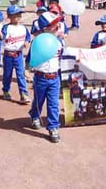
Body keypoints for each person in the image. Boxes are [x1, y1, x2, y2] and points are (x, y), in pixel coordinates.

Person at [28, 11, 64, 143]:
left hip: (54, 78)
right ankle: (34, 115)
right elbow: (30, 59)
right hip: (41, 77)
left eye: (58, 24)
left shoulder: (60, 42)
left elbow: (61, 57)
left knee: (53, 104)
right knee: (39, 100)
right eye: (54, 26)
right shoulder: (37, 42)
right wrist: (27, 70)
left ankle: (53, 127)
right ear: (45, 29)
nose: (58, 27)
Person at [0, 5, 31, 104]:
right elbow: (1, 37)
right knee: (7, 75)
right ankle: (6, 90)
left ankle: (23, 94)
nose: (18, 17)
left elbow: (28, 38)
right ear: (9, 16)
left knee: (20, 75)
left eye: (19, 14)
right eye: (15, 15)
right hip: (8, 55)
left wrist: (26, 43)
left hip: (18, 55)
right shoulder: (6, 28)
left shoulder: (23, 28)